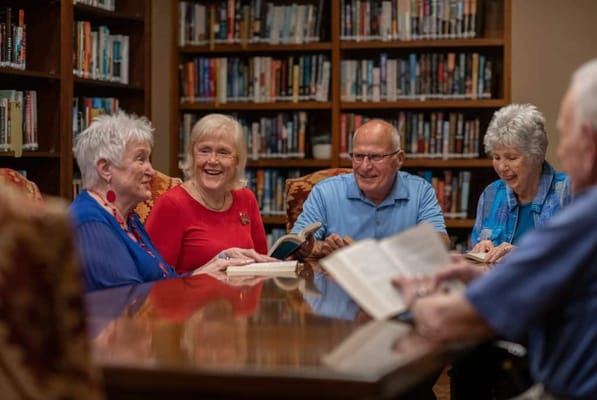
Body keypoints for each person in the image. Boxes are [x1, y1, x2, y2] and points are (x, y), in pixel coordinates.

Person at [393, 57, 597, 399]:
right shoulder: (493, 196)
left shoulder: (582, 211)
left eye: (566, 136)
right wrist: (481, 270)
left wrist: (413, 300)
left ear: (589, 144)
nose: (562, 149)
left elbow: (449, 321)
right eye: (496, 157)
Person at [70, 112, 271, 292]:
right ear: (105, 169)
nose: (151, 170)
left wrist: (214, 265)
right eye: (141, 159)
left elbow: (166, 280)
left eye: (148, 159)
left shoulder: (128, 220)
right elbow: (126, 305)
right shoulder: (91, 222)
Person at [291, 118, 449, 258]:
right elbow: (295, 243)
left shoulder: (420, 191)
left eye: (376, 157)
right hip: (338, 285)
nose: (365, 167)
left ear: (399, 159)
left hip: (400, 286)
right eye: (358, 156)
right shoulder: (325, 192)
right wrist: (320, 248)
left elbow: (441, 244)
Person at [146, 113, 268, 274]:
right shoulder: (171, 204)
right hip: (190, 298)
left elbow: (261, 261)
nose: (212, 160)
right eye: (204, 150)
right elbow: (154, 280)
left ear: (237, 160)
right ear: (192, 155)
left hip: (244, 296)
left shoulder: (246, 198)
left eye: (223, 152)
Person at [471, 103, 571, 263]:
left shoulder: (569, 192)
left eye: (511, 158)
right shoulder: (491, 194)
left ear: (537, 156)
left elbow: (586, 262)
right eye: (496, 157)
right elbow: (475, 259)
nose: (502, 167)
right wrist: (478, 252)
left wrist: (526, 255)